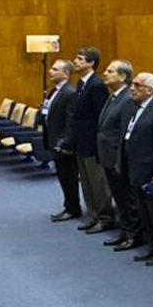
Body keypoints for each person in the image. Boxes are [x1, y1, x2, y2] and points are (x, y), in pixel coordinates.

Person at [121, 73, 153, 266]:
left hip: (152, 171)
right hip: (136, 168)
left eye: (138, 85)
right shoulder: (137, 108)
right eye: (133, 84)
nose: (132, 88)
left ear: (150, 91)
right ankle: (152, 245)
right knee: (144, 212)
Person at [71, 47, 115, 234]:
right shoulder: (81, 83)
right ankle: (94, 215)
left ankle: (105, 217)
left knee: (97, 183)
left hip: (93, 144)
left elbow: (101, 117)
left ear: (91, 63)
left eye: (80, 59)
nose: (75, 61)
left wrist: (99, 144)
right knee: (87, 183)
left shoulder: (96, 85)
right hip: (81, 142)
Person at [95, 60, 138, 248]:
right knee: (119, 198)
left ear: (122, 77)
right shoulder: (114, 96)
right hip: (108, 156)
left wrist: (120, 160)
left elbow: (124, 134)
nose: (105, 73)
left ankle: (133, 235)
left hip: (118, 159)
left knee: (127, 199)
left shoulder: (127, 99)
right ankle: (125, 230)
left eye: (110, 71)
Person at [44, 60, 82, 222]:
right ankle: (69, 206)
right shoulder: (54, 90)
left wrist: (65, 143)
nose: (50, 71)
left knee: (68, 178)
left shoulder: (69, 92)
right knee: (63, 177)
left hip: (63, 145)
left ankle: (73, 209)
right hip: (54, 140)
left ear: (66, 74)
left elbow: (71, 121)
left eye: (55, 69)